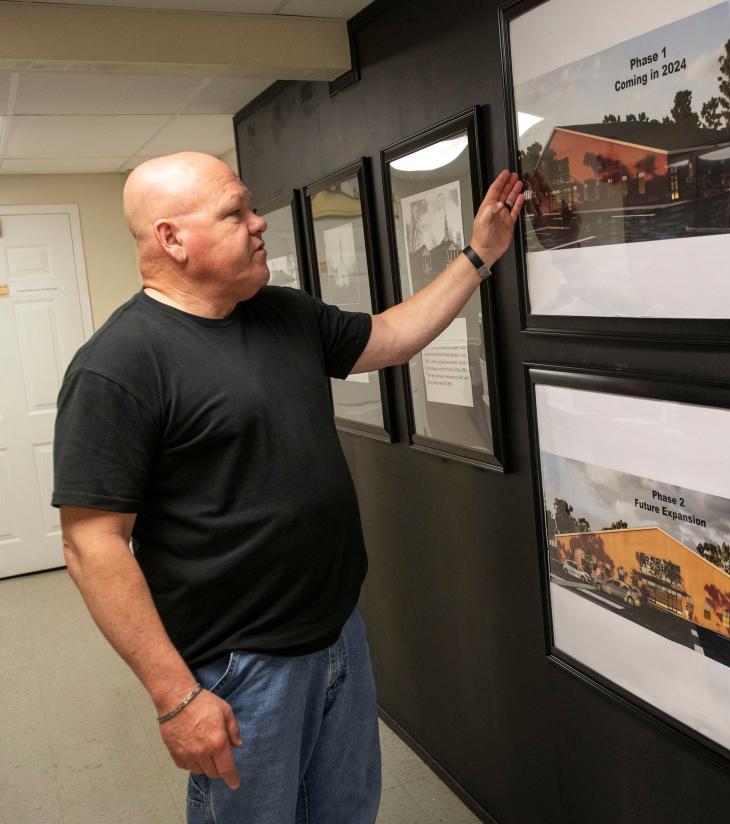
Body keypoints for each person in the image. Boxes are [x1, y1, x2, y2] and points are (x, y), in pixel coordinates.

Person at [51, 151, 523, 823]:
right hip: (237, 668)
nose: (258, 223)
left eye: (251, 207)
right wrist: (176, 698)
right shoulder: (119, 365)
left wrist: (478, 256)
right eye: (235, 212)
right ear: (171, 239)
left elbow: (390, 336)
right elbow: (93, 545)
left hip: (337, 635)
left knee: (345, 814)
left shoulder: (283, 314)